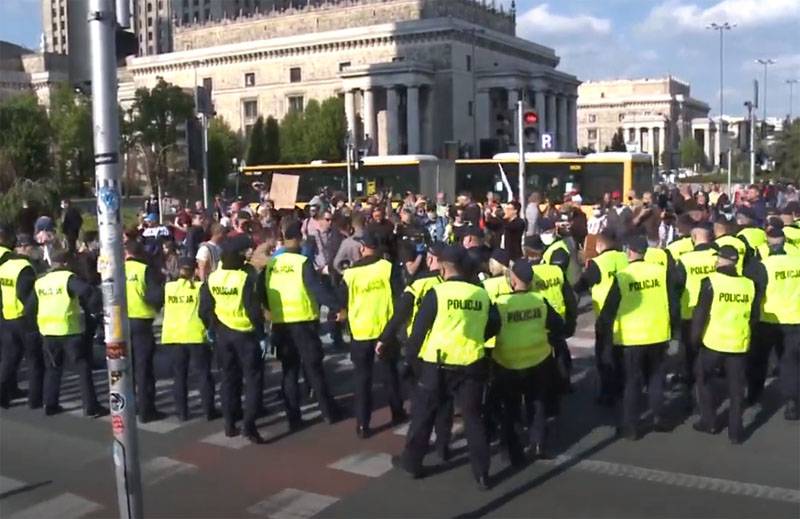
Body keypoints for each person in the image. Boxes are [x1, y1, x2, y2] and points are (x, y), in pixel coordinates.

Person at [392, 245, 500, 490]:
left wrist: (409, 360)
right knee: (473, 419)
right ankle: (482, 472)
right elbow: (495, 325)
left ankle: (412, 463)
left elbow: (418, 332)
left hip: (437, 363)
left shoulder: (438, 293)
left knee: (423, 416)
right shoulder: (480, 294)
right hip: (472, 362)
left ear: (442, 266)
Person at [260, 223, 342, 431]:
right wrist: (338, 306)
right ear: (297, 238)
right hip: (303, 323)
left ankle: (293, 418)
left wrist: (269, 312)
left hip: (281, 325)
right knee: (314, 369)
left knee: (289, 371)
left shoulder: (271, 264)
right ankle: (328, 412)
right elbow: (316, 289)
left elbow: (262, 292)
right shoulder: (302, 262)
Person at [599, 235, 676, 440]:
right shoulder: (661, 272)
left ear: (629, 252)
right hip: (658, 333)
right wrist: (673, 329)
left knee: (632, 382)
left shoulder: (624, 276)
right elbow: (673, 302)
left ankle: (630, 427)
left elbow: (609, 311)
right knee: (655, 378)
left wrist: (605, 336)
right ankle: (658, 417)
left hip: (631, 338)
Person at [491, 259, 564, 463]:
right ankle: (538, 443)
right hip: (538, 360)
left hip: (508, 362)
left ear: (513, 281)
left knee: (511, 408)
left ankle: (512, 451)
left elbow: (488, 330)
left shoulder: (502, 304)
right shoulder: (540, 300)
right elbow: (558, 325)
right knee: (537, 403)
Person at [690, 245, 759, 444]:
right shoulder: (749, 284)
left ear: (720, 260)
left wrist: (694, 340)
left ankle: (709, 421)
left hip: (714, 341)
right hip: (738, 342)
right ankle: (736, 432)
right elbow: (754, 316)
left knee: (703, 378)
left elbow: (700, 314)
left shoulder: (711, 281)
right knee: (736, 389)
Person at [25, 248, 106, 417]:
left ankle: (50, 404)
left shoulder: (41, 282)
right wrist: (94, 311)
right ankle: (90, 406)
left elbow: (30, 307)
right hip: (70, 331)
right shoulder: (68, 278)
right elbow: (88, 292)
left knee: (53, 368)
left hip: (47, 332)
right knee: (83, 367)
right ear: (65, 263)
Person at [200, 240, 266, 443]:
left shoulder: (213, 278)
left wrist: (211, 327)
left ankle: (229, 423)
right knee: (253, 379)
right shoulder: (243, 278)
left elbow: (204, 309)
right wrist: (262, 334)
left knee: (228, 379)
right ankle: (249, 425)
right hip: (245, 334)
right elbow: (253, 309)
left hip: (223, 334)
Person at [340, 234, 405, 438]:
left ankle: (362, 424)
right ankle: (397, 412)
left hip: (360, 330)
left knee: (362, 378)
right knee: (389, 373)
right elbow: (398, 294)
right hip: (383, 329)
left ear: (362, 248)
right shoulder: (387, 267)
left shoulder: (350, 274)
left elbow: (341, 300)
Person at [744, 227, 800, 419]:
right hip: (794, 319)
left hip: (768, 320)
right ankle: (792, 401)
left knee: (759, 360)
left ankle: (753, 395)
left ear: (768, 243)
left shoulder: (764, 265)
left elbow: (754, 293)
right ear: (784, 242)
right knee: (790, 361)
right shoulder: (797, 261)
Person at [573, 230, 628, 406]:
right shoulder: (625, 258)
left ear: (600, 245)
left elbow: (582, 285)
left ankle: (608, 393)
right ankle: (622, 389)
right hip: (627, 315)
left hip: (606, 316)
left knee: (605, 358)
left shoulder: (598, 263)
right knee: (620, 356)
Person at [161, 257, 218, 422]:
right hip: (196, 335)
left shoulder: (169, 287)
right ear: (194, 270)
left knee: (179, 376)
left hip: (174, 336)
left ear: (179, 270)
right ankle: (209, 410)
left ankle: (182, 412)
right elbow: (207, 311)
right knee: (203, 374)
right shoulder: (200, 287)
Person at [524, 235, 577, 397]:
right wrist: (571, 320)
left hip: (537, 321)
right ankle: (565, 383)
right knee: (560, 352)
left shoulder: (527, 274)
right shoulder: (555, 270)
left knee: (542, 358)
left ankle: (546, 389)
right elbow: (569, 298)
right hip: (558, 319)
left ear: (525, 252)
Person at [672, 226, 718, 399]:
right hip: (716, 310)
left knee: (691, 351)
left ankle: (691, 383)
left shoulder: (686, 259)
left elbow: (677, 286)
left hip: (690, 312)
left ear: (693, 238)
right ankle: (707, 381)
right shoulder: (719, 256)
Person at [0, 226, 43, 409]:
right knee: (34, 360)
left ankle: (3, 395)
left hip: (7, 316)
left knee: (9, 358)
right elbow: (27, 296)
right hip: (24, 319)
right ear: (24, 247)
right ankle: (35, 400)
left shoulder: (4, 266)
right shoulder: (24, 267)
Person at [124, 240, 165, 422]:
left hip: (119, 323)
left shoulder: (116, 269)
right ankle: (146, 410)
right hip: (141, 322)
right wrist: (156, 306)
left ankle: (128, 407)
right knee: (144, 369)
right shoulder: (143, 270)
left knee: (126, 368)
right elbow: (155, 295)